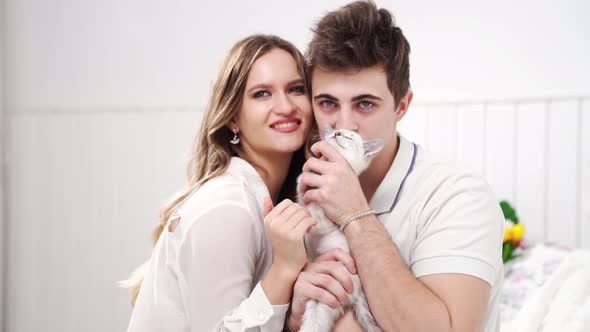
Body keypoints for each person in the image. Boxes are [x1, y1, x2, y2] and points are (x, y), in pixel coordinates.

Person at [281, 1, 505, 331]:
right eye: (327, 103)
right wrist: (298, 313)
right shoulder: (299, 186)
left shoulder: (457, 194)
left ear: (402, 106)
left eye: (365, 104)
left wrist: (353, 214)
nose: (344, 125)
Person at [121, 34, 318, 331]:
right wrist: (285, 268)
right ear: (233, 118)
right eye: (262, 94)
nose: (286, 105)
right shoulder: (228, 206)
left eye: (296, 89)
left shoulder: (268, 199)